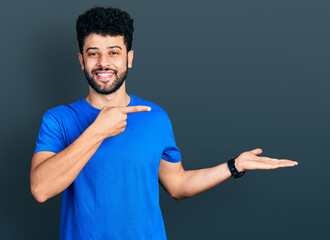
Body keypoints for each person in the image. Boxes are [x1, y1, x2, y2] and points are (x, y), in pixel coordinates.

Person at [30, 6, 298, 240]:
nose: (103, 63)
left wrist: (234, 166)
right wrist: (97, 131)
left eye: (113, 52)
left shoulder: (155, 117)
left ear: (129, 58)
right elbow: (41, 189)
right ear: (81, 61)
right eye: (93, 53)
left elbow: (178, 185)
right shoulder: (58, 120)